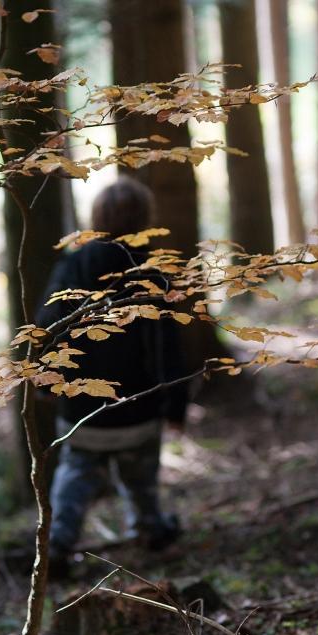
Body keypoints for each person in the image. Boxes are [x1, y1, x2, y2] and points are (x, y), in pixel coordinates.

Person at [37, 177, 187, 574]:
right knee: (141, 478)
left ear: (96, 218)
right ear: (146, 220)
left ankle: (58, 543)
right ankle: (151, 530)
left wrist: (47, 382)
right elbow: (168, 347)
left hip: (81, 414)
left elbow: (49, 325)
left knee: (74, 476)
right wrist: (176, 404)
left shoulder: (72, 265)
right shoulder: (153, 273)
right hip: (140, 409)